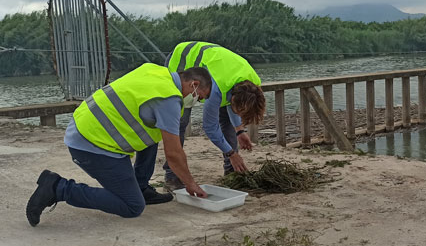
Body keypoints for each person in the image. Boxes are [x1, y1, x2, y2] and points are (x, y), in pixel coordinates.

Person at [25, 63, 212, 227]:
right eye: (200, 97)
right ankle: (58, 188)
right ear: (194, 84)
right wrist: (190, 184)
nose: (197, 101)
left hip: (83, 125)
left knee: (155, 132)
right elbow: (174, 154)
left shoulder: (155, 71)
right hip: (92, 145)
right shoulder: (169, 100)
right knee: (132, 206)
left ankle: (140, 186)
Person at [163, 41, 265, 191]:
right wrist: (231, 153)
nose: (238, 113)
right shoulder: (216, 89)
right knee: (179, 122)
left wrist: (240, 130)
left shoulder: (252, 85)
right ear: (234, 98)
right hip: (182, 59)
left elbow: (234, 107)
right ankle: (172, 176)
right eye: (238, 109)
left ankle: (231, 172)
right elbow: (210, 127)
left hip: (217, 67)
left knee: (227, 121)